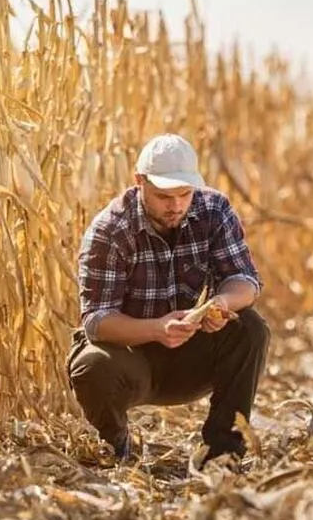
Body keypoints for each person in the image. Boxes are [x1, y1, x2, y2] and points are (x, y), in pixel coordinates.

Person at [66, 133, 270, 467]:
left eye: (184, 194)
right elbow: (97, 322)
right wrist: (158, 329)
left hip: (189, 351)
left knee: (250, 328)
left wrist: (220, 304)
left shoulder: (213, 209)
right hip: (130, 357)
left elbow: (246, 281)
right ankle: (115, 446)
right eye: (163, 196)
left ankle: (224, 450)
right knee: (91, 366)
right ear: (139, 182)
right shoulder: (110, 230)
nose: (175, 205)